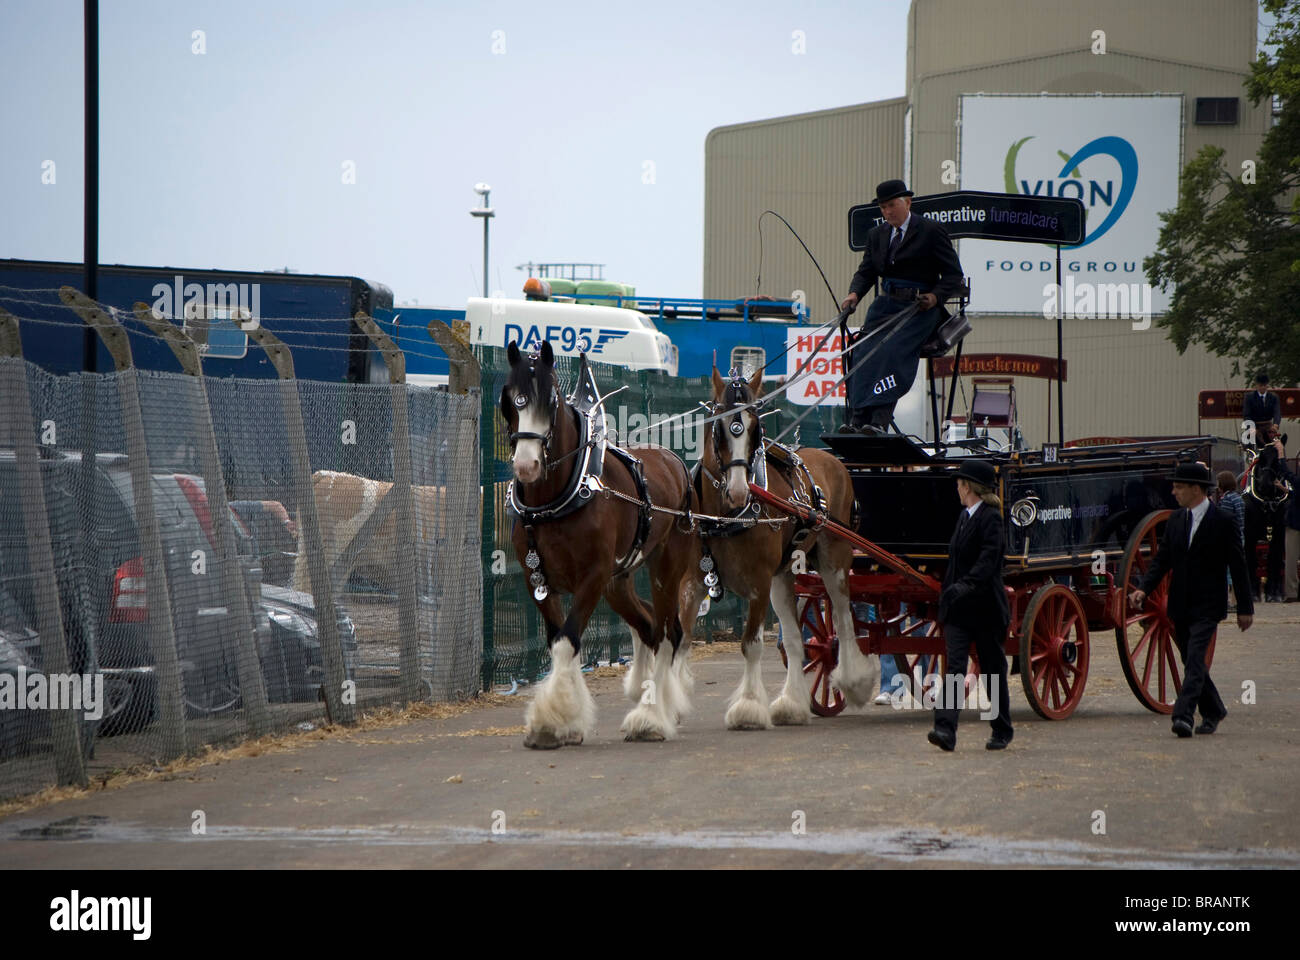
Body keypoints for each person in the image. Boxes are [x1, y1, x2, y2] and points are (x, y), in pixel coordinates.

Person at [1128, 462, 1254, 738]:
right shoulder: (1176, 520)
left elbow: (1238, 565)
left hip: (1209, 605)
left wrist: (1245, 608)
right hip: (1180, 604)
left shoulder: (1223, 521)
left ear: (1197, 490)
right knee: (1190, 660)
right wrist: (1143, 589)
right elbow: (1162, 561)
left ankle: (1183, 715)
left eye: (1179, 487)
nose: (1173, 492)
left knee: (1196, 658)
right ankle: (1214, 709)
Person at [839, 179, 964, 435]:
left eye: (891, 205)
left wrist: (935, 297)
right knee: (861, 352)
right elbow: (866, 272)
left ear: (907, 202)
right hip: (885, 306)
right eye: (883, 207)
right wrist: (854, 294)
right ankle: (857, 419)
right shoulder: (877, 235)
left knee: (890, 352)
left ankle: (878, 422)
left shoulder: (931, 231)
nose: (887, 212)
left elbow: (953, 276)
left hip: (919, 310)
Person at [928, 459, 1013, 751]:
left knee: (992, 669)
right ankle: (945, 729)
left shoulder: (991, 518)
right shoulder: (964, 517)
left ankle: (1001, 728)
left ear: (969, 487)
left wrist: (964, 586)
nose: (957, 488)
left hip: (985, 608)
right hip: (959, 610)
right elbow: (955, 562)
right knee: (954, 667)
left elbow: (989, 561)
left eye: (959, 483)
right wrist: (948, 593)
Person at [1216, 470, 1246, 610]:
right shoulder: (1238, 497)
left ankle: (1230, 601)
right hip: (1240, 535)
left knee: (1227, 571)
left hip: (1229, 537)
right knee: (1236, 568)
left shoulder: (1227, 500)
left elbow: (1224, 520)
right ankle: (1237, 600)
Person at [1242, 373, 1281, 444]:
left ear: (1267, 385)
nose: (1263, 387)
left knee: (1278, 443)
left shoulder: (1274, 397)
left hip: (1268, 426)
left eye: (1264, 385)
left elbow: (1277, 412)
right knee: (1249, 440)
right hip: (1254, 426)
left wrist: (1276, 424)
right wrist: (1251, 427)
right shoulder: (1249, 397)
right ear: (1256, 385)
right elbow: (1246, 414)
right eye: (1261, 385)